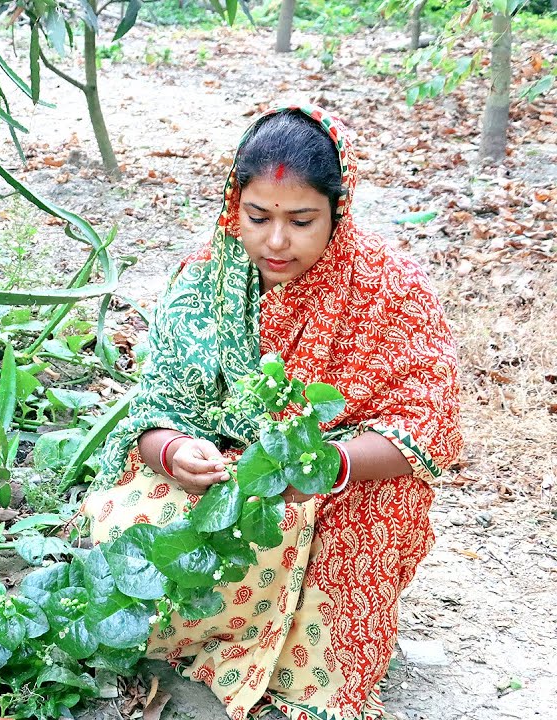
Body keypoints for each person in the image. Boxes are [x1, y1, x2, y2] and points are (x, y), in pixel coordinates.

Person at [84, 104, 462, 720]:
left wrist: (319, 468)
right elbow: (153, 407)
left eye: (302, 221)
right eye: (258, 217)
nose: (276, 241)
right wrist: (173, 452)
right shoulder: (206, 278)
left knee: (323, 625)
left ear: (339, 212)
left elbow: (427, 428)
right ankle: (209, 636)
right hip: (227, 479)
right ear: (235, 206)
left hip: (347, 487)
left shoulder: (391, 289)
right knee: (124, 539)